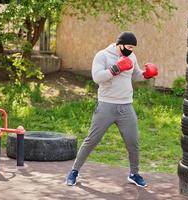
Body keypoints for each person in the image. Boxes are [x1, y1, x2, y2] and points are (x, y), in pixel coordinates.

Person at [66, 31, 158, 188]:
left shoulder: (131, 57)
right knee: (91, 140)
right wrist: (116, 68)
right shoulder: (102, 56)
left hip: (126, 106)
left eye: (133, 48)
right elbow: (97, 77)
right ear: (119, 45)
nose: (131, 51)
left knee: (133, 142)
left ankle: (134, 174)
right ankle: (74, 171)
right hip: (106, 105)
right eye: (129, 47)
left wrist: (147, 75)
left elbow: (135, 75)